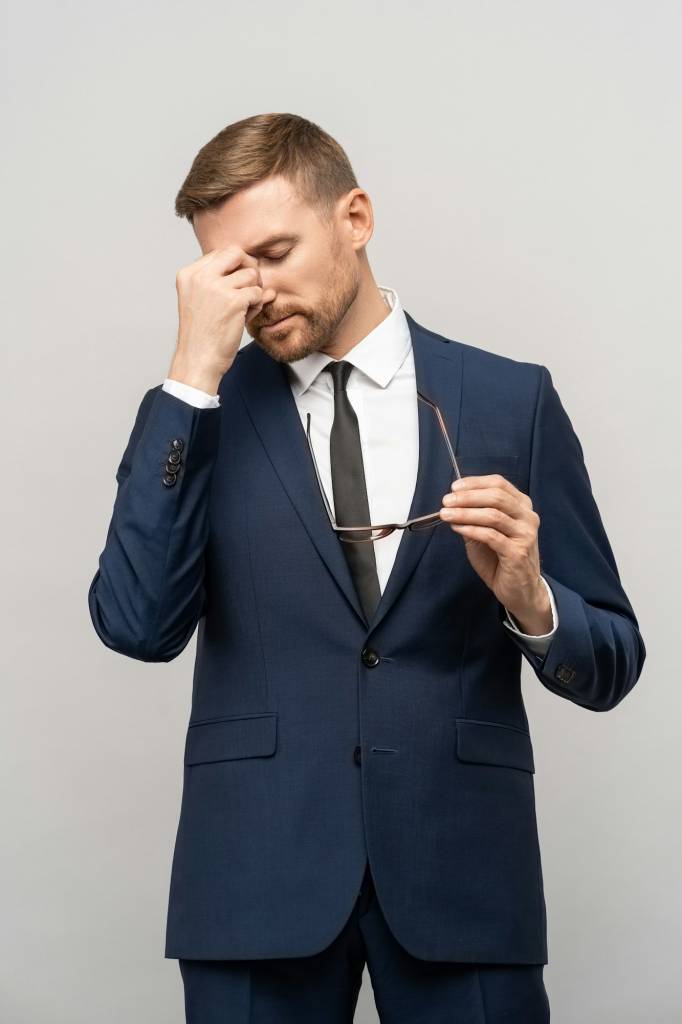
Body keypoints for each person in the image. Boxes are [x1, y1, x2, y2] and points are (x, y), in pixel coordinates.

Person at [88, 112, 646, 1023]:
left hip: (464, 878)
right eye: (228, 270)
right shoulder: (197, 416)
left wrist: (531, 599)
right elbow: (137, 627)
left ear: (355, 217)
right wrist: (192, 372)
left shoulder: (512, 399)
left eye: (274, 251)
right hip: (254, 883)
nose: (255, 292)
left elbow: (613, 662)